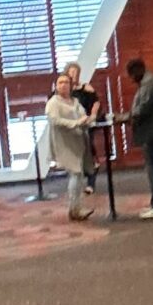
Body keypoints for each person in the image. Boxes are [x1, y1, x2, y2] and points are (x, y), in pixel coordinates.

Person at [125, 58, 153, 220]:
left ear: (136, 71)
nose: (131, 79)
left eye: (131, 75)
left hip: (151, 132)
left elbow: (142, 109)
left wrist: (125, 117)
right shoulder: (152, 81)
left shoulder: (149, 84)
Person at [45, 72, 94, 222]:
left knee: (78, 175)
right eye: (60, 82)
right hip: (64, 143)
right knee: (76, 173)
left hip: (78, 140)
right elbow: (55, 121)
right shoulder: (53, 102)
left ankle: (76, 208)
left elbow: (83, 115)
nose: (63, 85)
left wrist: (86, 120)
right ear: (56, 86)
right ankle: (74, 209)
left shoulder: (75, 101)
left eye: (66, 82)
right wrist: (75, 123)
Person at [65, 62, 102, 191]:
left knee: (87, 150)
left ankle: (91, 182)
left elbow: (96, 101)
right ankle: (80, 178)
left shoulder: (85, 87)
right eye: (71, 72)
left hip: (85, 124)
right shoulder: (64, 90)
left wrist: (92, 115)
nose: (74, 75)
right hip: (71, 126)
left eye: (76, 72)